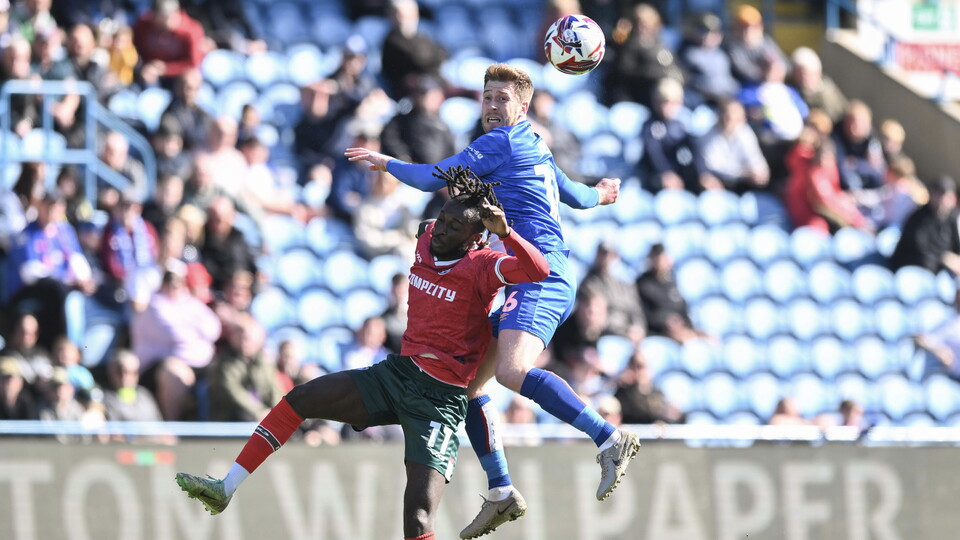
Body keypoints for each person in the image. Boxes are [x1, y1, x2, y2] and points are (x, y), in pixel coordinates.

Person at [175, 166, 550, 540]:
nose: (441, 228)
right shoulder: (425, 237)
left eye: (454, 227)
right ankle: (226, 487)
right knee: (300, 398)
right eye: (443, 218)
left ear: (474, 240)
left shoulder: (483, 265)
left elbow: (539, 269)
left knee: (418, 520)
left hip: (439, 401)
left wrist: (507, 233)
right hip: (397, 376)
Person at [345, 63, 639, 538]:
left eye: (502, 99)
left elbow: (430, 179)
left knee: (510, 372)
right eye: (486, 98)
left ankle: (608, 438)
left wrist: (386, 163)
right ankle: (501, 490)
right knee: (470, 389)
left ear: (522, 106)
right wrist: (601, 194)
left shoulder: (500, 144)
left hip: (537, 275)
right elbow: (577, 197)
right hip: (526, 273)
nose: (492, 107)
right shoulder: (535, 144)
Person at [889, 175, 960, 275]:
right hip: (913, 267)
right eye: (939, 195)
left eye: (946, 197)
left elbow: (956, 244)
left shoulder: (952, 217)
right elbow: (919, 249)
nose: (942, 201)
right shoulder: (918, 217)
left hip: (942, 266)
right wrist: (944, 258)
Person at [699, 97, 770, 194]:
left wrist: (759, 173)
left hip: (743, 185)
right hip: (718, 183)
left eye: (735, 118)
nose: (730, 122)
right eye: (727, 117)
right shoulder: (708, 136)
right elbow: (714, 166)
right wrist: (743, 173)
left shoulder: (745, 132)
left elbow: (755, 160)